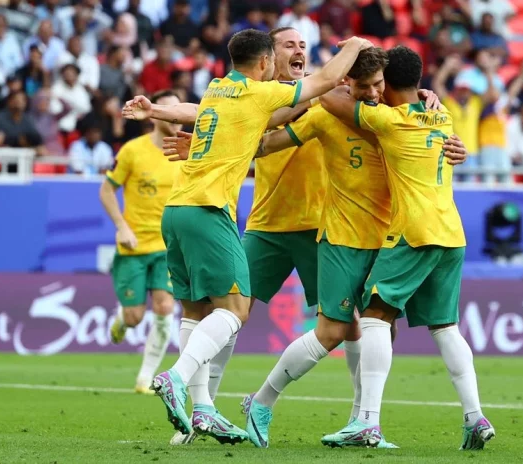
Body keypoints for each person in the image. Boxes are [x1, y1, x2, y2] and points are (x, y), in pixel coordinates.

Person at [162, 49, 469, 449]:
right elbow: (267, 143)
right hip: (338, 237)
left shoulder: (401, 114)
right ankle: (236, 405)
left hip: (389, 238)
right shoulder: (326, 113)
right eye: (365, 86)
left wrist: (453, 139)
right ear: (347, 84)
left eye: (379, 85)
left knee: (378, 327)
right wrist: (210, 147)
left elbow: (434, 140)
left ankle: (364, 421)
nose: (374, 93)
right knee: (325, 328)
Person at [122, 29, 374, 445]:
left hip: (312, 223)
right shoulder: (268, 93)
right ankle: (192, 392)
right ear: (267, 59)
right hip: (256, 223)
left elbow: (206, 112)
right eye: (288, 45)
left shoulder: (229, 90)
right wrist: (355, 44)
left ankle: (361, 417)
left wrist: (163, 113)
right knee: (231, 311)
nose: (298, 50)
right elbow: (313, 92)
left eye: (302, 45)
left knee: (342, 323)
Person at [317, 46, 494, 450]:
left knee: (376, 315)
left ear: (386, 82)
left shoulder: (388, 120)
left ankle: (367, 421)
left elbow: (327, 96)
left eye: (378, 82)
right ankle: (474, 416)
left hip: (413, 231)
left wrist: (344, 73)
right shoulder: (442, 114)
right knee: (445, 326)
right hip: (451, 233)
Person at [100, 91, 182, 395]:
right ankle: (122, 320)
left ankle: (145, 380)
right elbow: (106, 191)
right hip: (133, 247)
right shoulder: (133, 151)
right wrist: (121, 227)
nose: (177, 118)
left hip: (167, 247)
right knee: (135, 317)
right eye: (171, 112)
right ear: (156, 115)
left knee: (164, 307)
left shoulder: (185, 151)